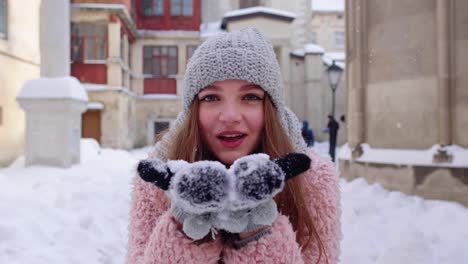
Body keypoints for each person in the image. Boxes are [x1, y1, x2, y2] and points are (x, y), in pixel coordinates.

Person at [127, 28, 341, 264]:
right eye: (210, 97)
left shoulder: (310, 179)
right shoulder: (157, 181)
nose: (230, 116)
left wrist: (256, 233)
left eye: (250, 97)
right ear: (192, 111)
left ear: (271, 109)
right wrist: (187, 228)